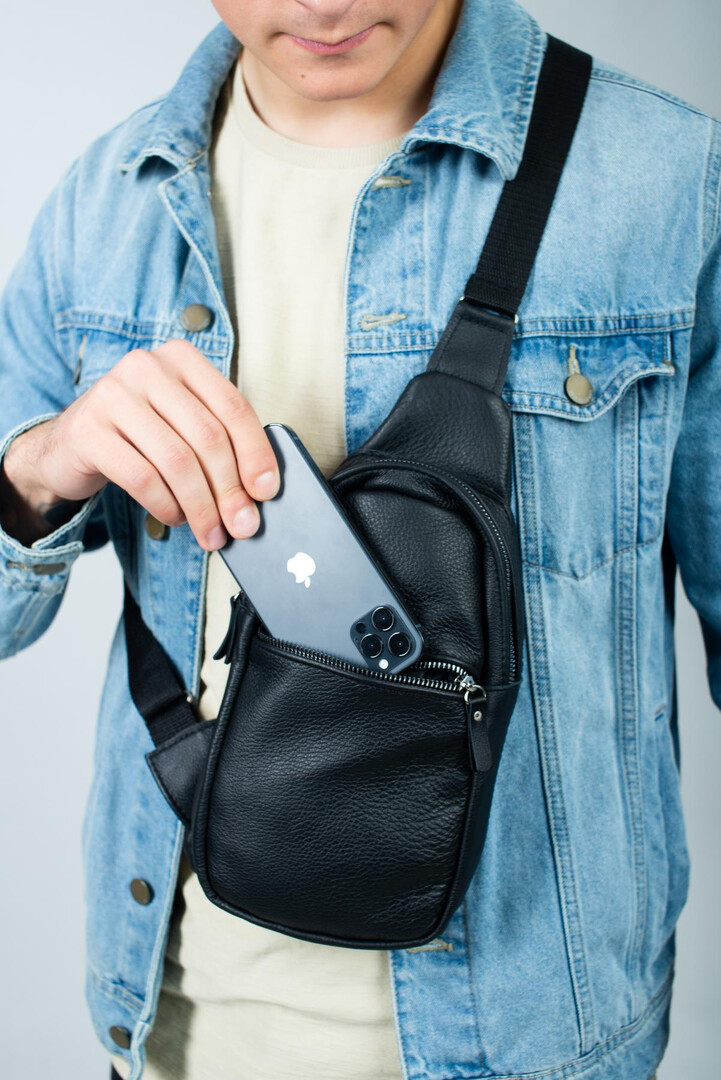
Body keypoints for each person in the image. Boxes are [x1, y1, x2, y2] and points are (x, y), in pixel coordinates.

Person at [0, 0, 717, 1077]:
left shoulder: (669, 178)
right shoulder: (103, 204)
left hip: (539, 1045)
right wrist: (37, 472)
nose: (322, 3)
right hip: (170, 1028)